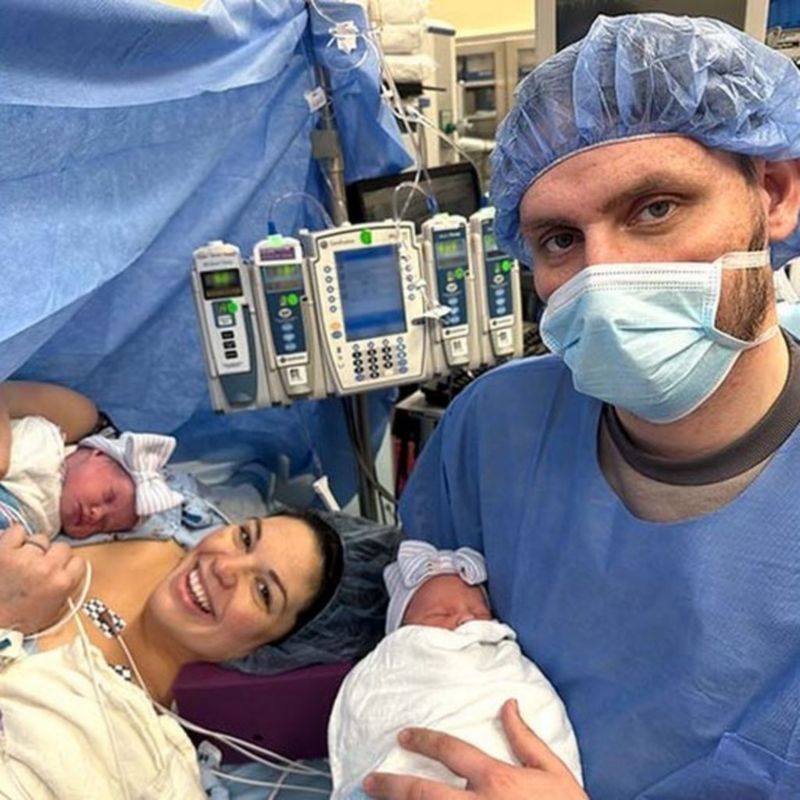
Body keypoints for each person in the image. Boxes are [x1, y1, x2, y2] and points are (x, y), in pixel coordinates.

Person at [368, 13, 800, 800]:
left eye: (655, 208)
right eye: (561, 240)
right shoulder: (492, 430)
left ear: (773, 194)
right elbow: (421, 663)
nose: (605, 276)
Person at [0, 510, 343, 798]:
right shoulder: (148, 515)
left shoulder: (128, 751)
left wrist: (5, 614)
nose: (224, 568)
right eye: (245, 538)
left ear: (270, 654)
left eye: (263, 591)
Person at [328, 541, 582, 800]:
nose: (466, 619)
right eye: (440, 614)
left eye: (480, 613)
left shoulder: (503, 655)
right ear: (401, 631)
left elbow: (533, 697)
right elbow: (380, 709)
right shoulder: (395, 660)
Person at [0, 398, 182, 539]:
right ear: (98, 454)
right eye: (108, 497)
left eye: (105, 525)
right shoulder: (44, 441)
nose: (97, 514)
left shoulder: (50, 531)